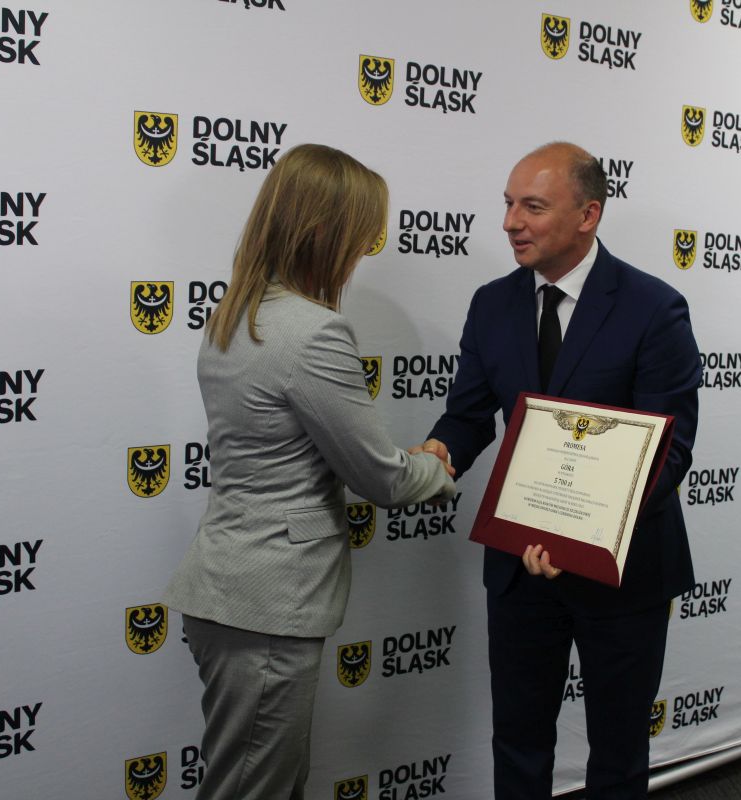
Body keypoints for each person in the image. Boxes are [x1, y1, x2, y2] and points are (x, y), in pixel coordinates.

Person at [164, 143, 456, 800]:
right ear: (323, 232)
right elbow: (381, 478)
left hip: (230, 592)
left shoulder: (235, 316)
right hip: (267, 606)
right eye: (360, 237)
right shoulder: (313, 332)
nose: (360, 256)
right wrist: (436, 468)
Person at [419, 142, 701, 798]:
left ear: (588, 215)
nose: (511, 222)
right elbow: (468, 416)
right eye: (508, 204)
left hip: (622, 575)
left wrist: (577, 537)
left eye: (533, 207)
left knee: (618, 756)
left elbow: (670, 452)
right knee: (518, 743)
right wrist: (438, 452)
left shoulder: (654, 308)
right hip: (519, 572)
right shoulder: (491, 304)